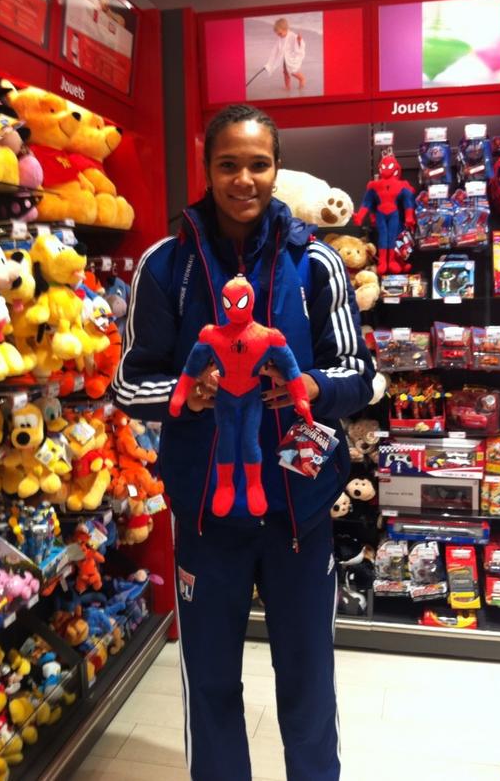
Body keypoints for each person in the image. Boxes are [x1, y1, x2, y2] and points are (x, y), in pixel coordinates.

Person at [113, 103, 374, 781]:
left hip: (300, 515)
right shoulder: (166, 265)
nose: (243, 179)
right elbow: (128, 382)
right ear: (207, 169)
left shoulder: (317, 263)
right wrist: (186, 393)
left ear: (277, 169)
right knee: (210, 686)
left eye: (258, 164)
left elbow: (358, 372)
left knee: (308, 685)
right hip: (206, 517)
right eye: (228, 164)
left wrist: (309, 386)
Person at [264, 17, 306, 90]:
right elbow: (275, 50)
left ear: (286, 29)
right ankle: (287, 87)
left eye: (280, 33)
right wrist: (269, 64)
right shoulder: (280, 38)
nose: (279, 35)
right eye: (277, 34)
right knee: (285, 72)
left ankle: (302, 79)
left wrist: (299, 41)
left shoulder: (292, 36)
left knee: (293, 71)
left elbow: (299, 47)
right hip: (284, 57)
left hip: (291, 57)